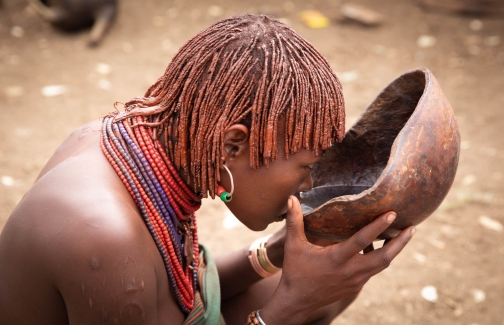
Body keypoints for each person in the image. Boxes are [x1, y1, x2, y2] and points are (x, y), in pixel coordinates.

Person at [0, 14, 415, 325]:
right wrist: (290, 307)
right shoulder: (103, 237)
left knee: (326, 292)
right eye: (305, 167)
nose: (306, 187)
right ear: (232, 144)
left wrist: (274, 256)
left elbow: (182, 287)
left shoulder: (135, 147)